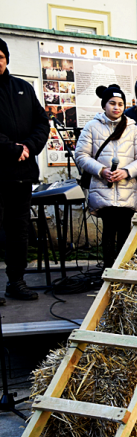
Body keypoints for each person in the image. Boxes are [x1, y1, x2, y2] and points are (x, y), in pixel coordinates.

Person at [75, 84, 137, 269]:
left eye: (120, 104)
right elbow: (81, 155)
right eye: (112, 103)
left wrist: (126, 171)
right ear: (104, 105)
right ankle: (108, 271)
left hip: (127, 190)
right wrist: (101, 170)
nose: (116, 107)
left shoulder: (132, 128)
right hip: (103, 189)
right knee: (108, 231)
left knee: (126, 232)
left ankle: (124, 272)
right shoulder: (92, 126)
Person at [0, 38, 49, 302]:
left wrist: (29, 146)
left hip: (22, 175)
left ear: (6, 59)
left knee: (19, 231)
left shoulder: (23, 88)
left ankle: (16, 281)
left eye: (0, 57)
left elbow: (42, 122)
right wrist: (12, 149)